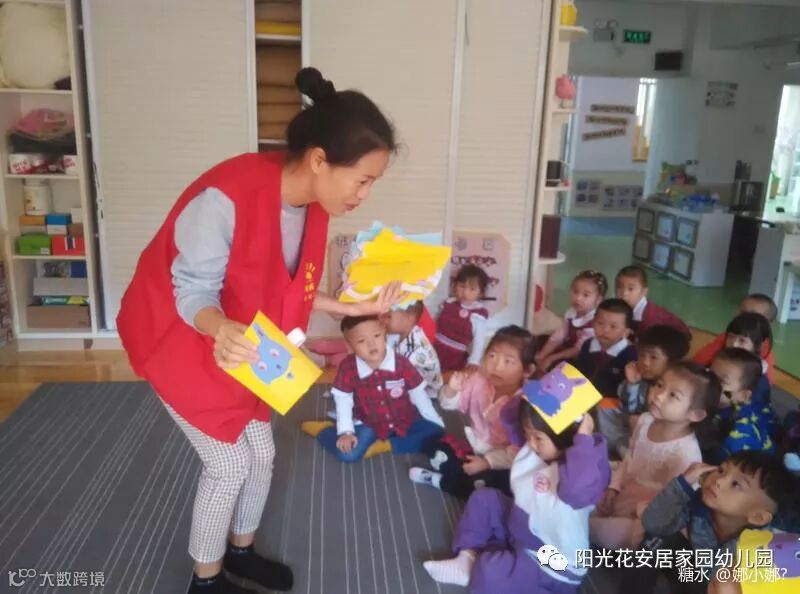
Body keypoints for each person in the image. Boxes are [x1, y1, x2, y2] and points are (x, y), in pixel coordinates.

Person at [116, 68, 402, 594]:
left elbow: (286, 284)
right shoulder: (226, 197)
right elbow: (191, 290)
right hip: (181, 337)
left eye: (372, 183)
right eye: (362, 179)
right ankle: (205, 580)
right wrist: (220, 326)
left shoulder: (313, 205)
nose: (364, 194)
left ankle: (241, 551)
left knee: (263, 455)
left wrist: (350, 306)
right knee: (229, 465)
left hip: (243, 344)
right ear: (319, 160)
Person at [422, 407, 610, 594]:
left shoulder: (587, 472)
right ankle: (467, 558)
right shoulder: (538, 450)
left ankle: (486, 566)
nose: (531, 443)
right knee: (484, 498)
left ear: (568, 436)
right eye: (529, 435)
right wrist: (531, 401)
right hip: (521, 529)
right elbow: (510, 418)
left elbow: (576, 490)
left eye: (538, 438)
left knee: (491, 573)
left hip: (551, 563)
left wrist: (584, 438)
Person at [622, 452, 796, 594]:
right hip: (694, 571)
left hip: (713, 585)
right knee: (658, 541)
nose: (719, 481)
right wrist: (682, 484)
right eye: (721, 470)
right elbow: (652, 523)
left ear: (757, 517)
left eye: (736, 484)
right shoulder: (698, 503)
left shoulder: (763, 547)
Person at [590, 362, 721, 549]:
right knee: (580, 500)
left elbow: (673, 506)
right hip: (624, 491)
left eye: (673, 395)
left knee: (593, 529)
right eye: (659, 385)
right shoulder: (645, 420)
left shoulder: (686, 455)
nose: (658, 395)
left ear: (695, 415)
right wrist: (614, 488)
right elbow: (629, 458)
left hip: (642, 518)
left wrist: (638, 513)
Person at [409, 326, 536, 499]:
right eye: (492, 356)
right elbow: (447, 405)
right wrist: (452, 390)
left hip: (503, 459)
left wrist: (487, 462)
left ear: (527, 370)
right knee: (435, 445)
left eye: (508, 361)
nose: (496, 367)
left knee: (499, 487)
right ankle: (461, 477)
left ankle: (440, 481)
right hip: (473, 445)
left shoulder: (527, 402)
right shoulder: (479, 380)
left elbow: (521, 452)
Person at [303, 315, 445, 462]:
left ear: (384, 334)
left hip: (403, 419)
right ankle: (324, 430)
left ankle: (387, 445)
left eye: (376, 336)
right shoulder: (348, 367)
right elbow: (343, 399)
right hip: (369, 424)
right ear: (350, 346)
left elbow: (418, 394)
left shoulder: (401, 363)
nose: (371, 344)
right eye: (361, 341)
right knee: (349, 454)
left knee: (437, 433)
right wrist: (345, 431)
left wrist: (435, 421)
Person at [597, 324, 690, 457]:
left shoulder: (676, 387)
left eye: (654, 357)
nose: (645, 362)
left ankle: (629, 451)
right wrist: (632, 384)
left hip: (658, 429)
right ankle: (616, 444)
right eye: (641, 355)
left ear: (672, 362)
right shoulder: (641, 378)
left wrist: (642, 420)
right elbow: (628, 408)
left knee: (637, 420)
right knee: (605, 405)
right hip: (634, 422)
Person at [708, 348, 776, 462]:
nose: (709, 382)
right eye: (710, 374)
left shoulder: (739, 433)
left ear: (742, 395)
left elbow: (728, 467)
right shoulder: (708, 398)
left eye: (722, 381)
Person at [694, 294, 777, 384]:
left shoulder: (765, 351)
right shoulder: (727, 337)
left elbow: (766, 383)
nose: (734, 343)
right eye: (742, 312)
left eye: (753, 315)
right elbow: (699, 361)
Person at [536, 270, 608, 371]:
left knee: (558, 365)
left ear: (598, 299)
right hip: (568, 347)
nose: (578, 298)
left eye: (585, 295)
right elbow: (558, 336)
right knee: (539, 341)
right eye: (575, 292)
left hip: (581, 357)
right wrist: (542, 355)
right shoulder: (571, 312)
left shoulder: (594, 321)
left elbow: (578, 350)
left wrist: (551, 358)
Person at [573, 298, 637, 398]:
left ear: (626, 332)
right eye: (600, 323)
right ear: (593, 323)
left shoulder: (630, 355)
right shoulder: (587, 345)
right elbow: (578, 374)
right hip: (582, 397)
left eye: (613, 326)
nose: (605, 330)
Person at [434, 264, 491, 372]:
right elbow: (435, 322)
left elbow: (479, 340)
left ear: (480, 293)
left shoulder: (478, 314)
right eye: (462, 286)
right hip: (434, 347)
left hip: (455, 356)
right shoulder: (448, 303)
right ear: (455, 285)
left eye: (472, 289)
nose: (465, 292)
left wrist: (474, 360)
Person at [383, 300, 443, 399]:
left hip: (425, 395)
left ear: (410, 317)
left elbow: (394, 377)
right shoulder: (407, 333)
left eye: (388, 316)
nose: (383, 320)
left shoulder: (413, 351)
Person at [614, 265, 690, 339]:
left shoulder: (648, 320)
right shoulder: (625, 308)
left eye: (631, 289)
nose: (624, 293)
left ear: (644, 292)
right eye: (619, 287)